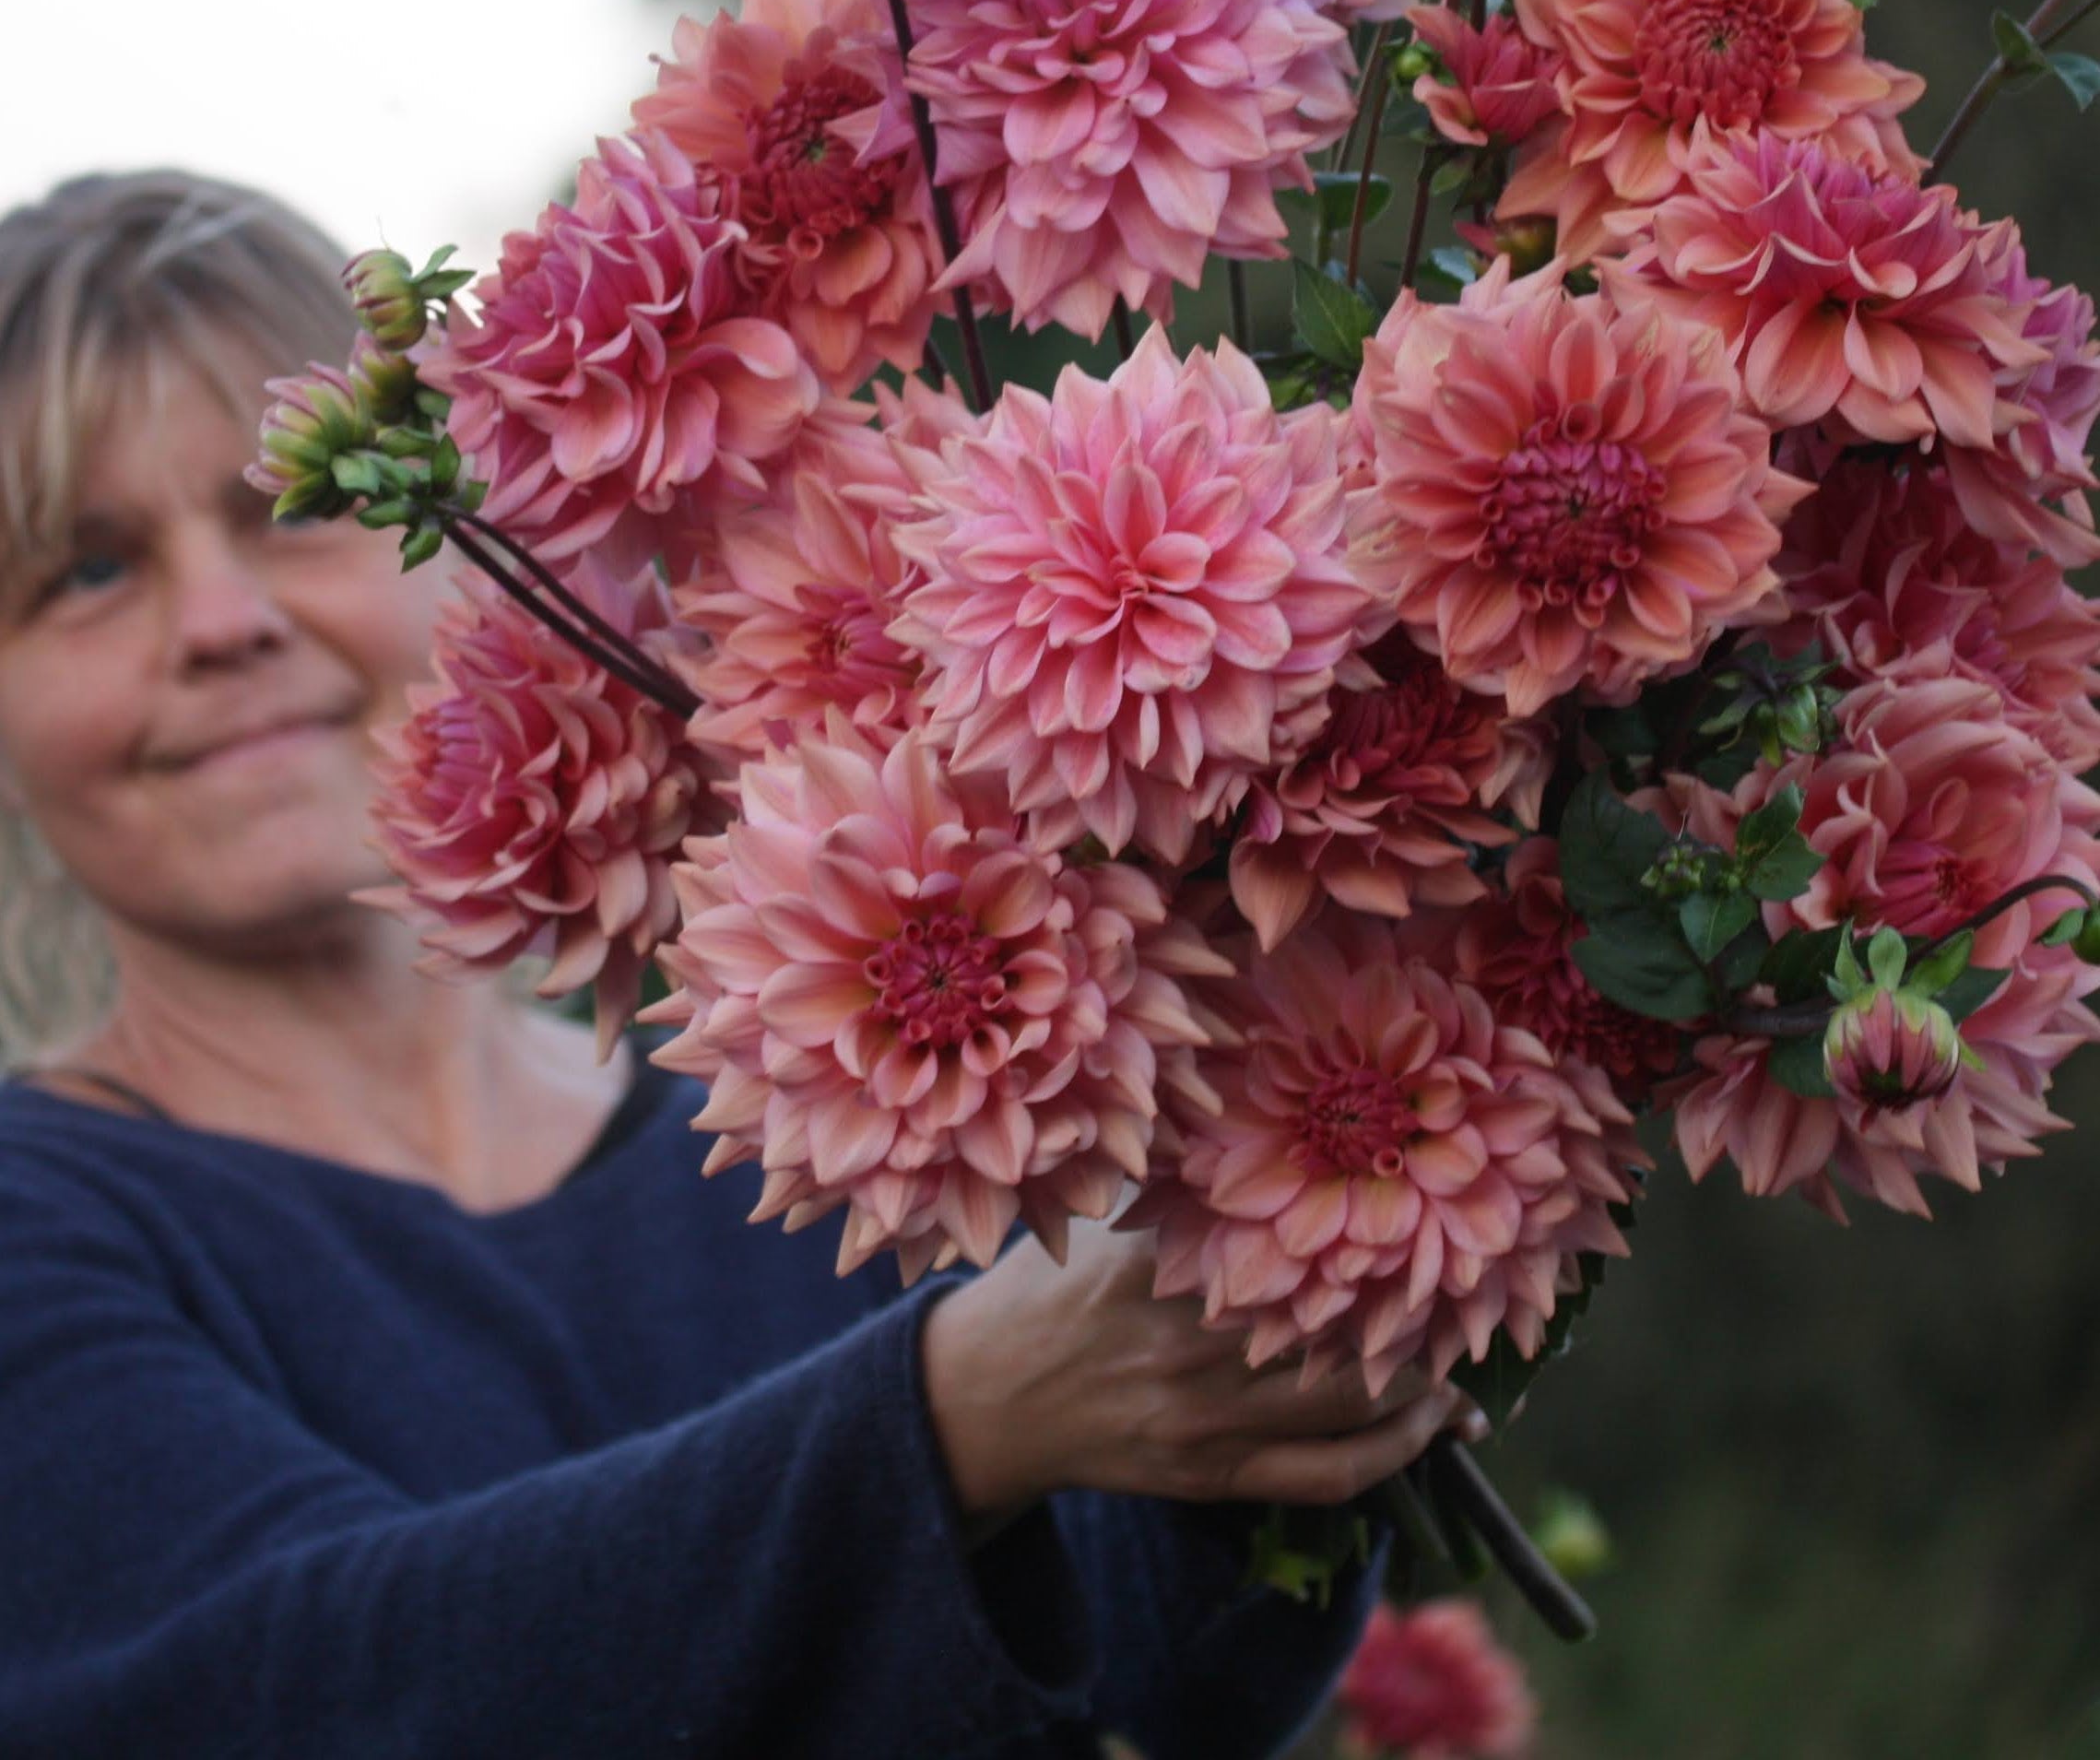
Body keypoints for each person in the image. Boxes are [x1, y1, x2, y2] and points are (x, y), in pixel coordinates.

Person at [0, 170, 1474, 1760]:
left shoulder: (822, 1087)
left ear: (468, 541)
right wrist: (946, 1420)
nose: (216, 621)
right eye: (85, 572)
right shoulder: (42, 1224)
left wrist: (1308, 1273)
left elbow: (1141, 1680)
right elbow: (287, 1695)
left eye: (287, 509)